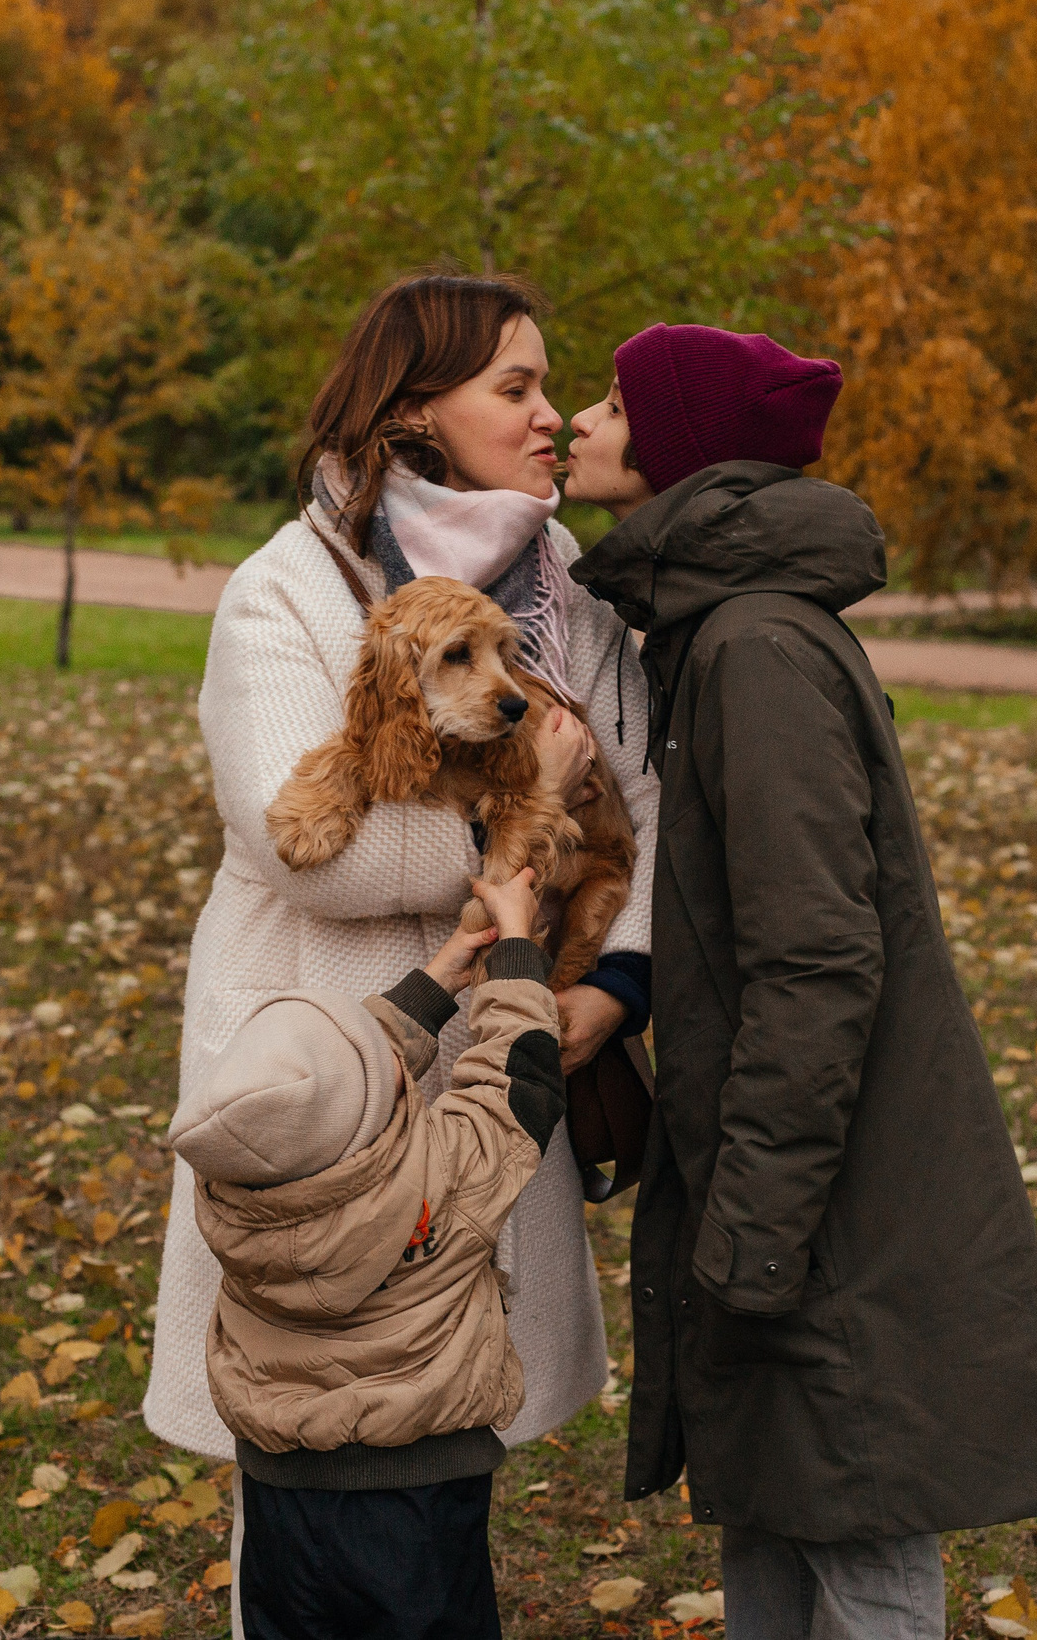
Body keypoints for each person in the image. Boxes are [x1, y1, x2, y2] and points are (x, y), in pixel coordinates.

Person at [144, 272, 662, 1627]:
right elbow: (305, 847)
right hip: (324, 1083)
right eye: (516, 387)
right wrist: (518, 863)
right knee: (312, 1447)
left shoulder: (570, 608)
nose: (551, 416)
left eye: (551, 388)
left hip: (490, 1066)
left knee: (443, 1451)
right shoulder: (288, 592)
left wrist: (608, 979)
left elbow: (648, 812)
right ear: (414, 407)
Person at [564, 325, 1037, 1640]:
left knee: (853, 1535)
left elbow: (814, 959)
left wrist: (750, 1225)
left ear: (680, 446)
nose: (578, 417)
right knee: (778, 1497)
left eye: (617, 403)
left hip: (823, 1196)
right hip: (793, 1180)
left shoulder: (753, 650)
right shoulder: (717, 629)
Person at [172, 869, 560, 1640]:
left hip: (284, 1498)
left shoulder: (236, 1192)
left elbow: (326, 1087)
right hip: (418, 1499)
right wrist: (515, 945)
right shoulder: (440, 1176)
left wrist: (445, 967)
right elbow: (517, 1081)